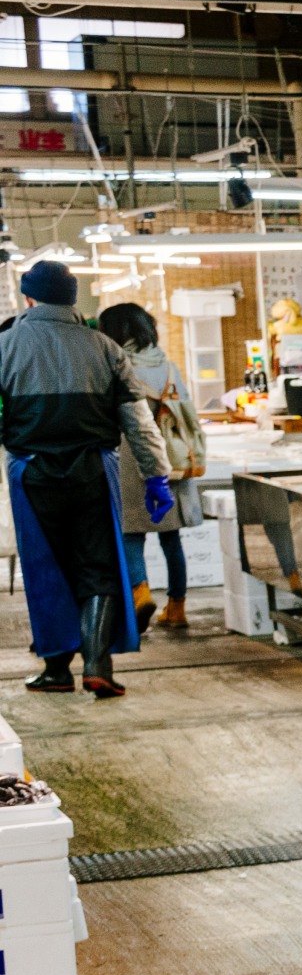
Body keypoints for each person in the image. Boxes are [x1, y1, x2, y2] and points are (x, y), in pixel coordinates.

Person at [0, 261, 171, 698]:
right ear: (73, 299)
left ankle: (57, 670)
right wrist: (157, 476)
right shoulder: (105, 347)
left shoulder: (4, 346)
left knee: (46, 568)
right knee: (98, 567)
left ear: (28, 298)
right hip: (94, 470)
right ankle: (98, 665)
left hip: (31, 473)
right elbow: (138, 420)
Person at [98, 303, 206, 633]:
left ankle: (140, 595)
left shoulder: (117, 366)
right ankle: (177, 608)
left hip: (131, 457)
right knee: (171, 540)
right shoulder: (168, 365)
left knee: (132, 534)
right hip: (170, 459)